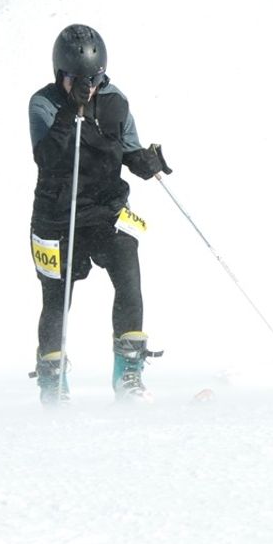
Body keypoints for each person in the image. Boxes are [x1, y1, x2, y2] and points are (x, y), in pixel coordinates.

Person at [27, 24, 171, 405]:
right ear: (62, 75)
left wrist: (146, 161)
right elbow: (47, 157)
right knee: (56, 300)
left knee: (128, 274)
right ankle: (52, 382)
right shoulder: (43, 104)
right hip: (57, 216)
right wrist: (70, 113)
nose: (89, 86)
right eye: (78, 79)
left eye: (96, 77)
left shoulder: (115, 101)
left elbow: (128, 150)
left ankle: (128, 374)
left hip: (105, 211)